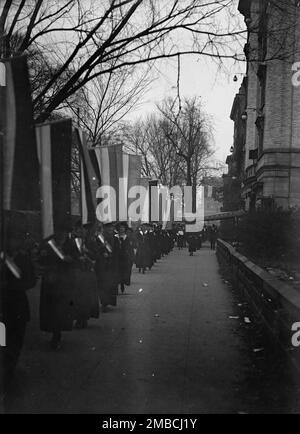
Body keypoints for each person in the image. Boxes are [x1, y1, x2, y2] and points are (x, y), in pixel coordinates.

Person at [1, 220, 36, 393]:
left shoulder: (23, 258)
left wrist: (16, 286)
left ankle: (10, 371)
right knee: (3, 341)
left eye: (16, 239)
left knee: (16, 341)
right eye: (11, 239)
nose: (13, 242)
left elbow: (31, 280)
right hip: (2, 308)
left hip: (19, 306)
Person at [39, 229, 76, 350]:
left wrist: (70, 260)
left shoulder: (70, 244)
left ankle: (58, 332)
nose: (62, 234)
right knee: (52, 308)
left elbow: (75, 258)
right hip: (51, 281)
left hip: (64, 281)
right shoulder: (49, 244)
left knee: (61, 308)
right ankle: (55, 333)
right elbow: (42, 260)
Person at [94, 222, 120, 312]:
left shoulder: (114, 238)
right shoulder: (100, 238)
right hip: (102, 265)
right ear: (104, 229)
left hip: (111, 264)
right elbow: (96, 249)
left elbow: (116, 251)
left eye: (111, 228)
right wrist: (102, 252)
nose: (110, 230)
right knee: (103, 284)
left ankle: (108, 302)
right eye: (108, 228)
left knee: (110, 284)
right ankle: (104, 303)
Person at [117, 222, 135, 294]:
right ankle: (117, 285)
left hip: (125, 258)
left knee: (123, 272)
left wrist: (132, 257)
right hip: (117, 257)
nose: (121, 229)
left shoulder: (127, 238)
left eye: (123, 227)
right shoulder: (115, 237)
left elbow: (130, 249)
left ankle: (122, 284)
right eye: (120, 227)